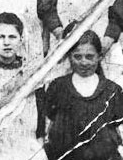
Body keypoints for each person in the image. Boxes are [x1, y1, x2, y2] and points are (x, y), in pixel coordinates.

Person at [44, 28, 123, 160]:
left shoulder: (112, 90)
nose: (84, 62)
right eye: (77, 56)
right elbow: (50, 126)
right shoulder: (57, 87)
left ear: (99, 56)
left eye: (90, 56)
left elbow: (118, 129)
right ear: (69, 56)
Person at [0, 13, 43, 160]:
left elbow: (40, 105)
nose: (6, 42)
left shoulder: (31, 70)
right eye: (1, 37)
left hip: (24, 143)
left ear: (21, 40)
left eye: (12, 37)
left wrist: (39, 137)